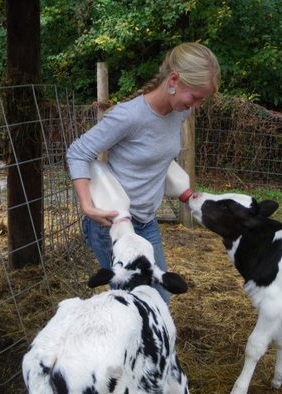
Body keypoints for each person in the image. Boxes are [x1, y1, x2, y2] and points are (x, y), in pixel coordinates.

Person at [66, 42, 221, 303]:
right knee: (131, 302)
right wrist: (87, 206)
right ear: (174, 80)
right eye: (195, 97)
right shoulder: (129, 116)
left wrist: (186, 193)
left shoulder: (179, 112)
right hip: (113, 224)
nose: (198, 104)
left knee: (159, 296)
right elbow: (78, 152)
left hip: (147, 222)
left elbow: (158, 158)